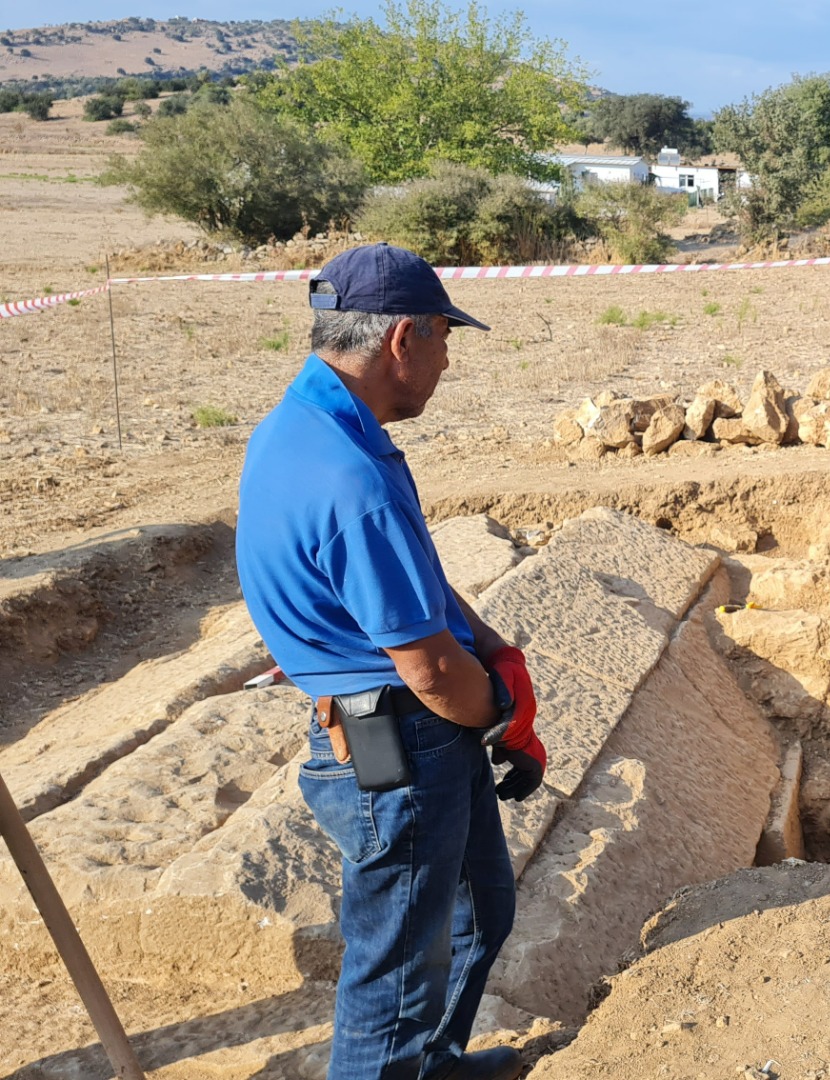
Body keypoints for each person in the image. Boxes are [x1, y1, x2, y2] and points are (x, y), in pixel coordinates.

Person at [235, 243, 545, 1080]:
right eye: (447, 337)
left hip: (410, 733)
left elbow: (419, 585)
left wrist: (494, 652)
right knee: (396, 974)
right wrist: (508, 717)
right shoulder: (349, 478)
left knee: (480, 913)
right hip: (397, 748)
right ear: (404, 339)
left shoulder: (312, 424)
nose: (448, 359)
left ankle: (434, 1066)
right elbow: (432, 675)